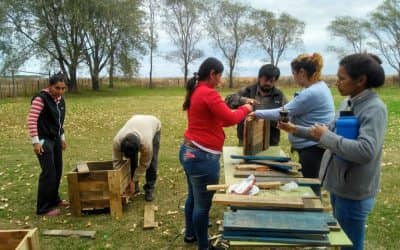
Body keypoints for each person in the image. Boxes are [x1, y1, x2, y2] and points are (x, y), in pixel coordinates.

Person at [278, 53, 387, 250]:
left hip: (354, 191)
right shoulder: (348, 102)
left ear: (361, 80)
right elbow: (327, 132)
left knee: (350, 244)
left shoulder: (374, 109)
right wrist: (296, 129)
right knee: (341, 239)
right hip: (339, 185)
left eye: (342, 78)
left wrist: (326, 136)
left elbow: (365, 151)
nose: (336, 82)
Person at [179, 57, 252, 250]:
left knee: (193, 198)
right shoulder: (209, 93)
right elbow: (230, 116)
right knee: (202, 206)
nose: (220, 80)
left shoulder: (197, 91)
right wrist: (246, 108)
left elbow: (222, 120)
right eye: (219, 76)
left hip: (189, 152)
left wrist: (237, 112)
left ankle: (190, 234)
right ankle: (204, 246)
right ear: (212, 74)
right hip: (203, 158)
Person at [250, 53, 335, 194]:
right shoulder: (319, 87)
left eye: (294, 73)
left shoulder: (312, 92)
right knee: (310, 184)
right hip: (313, 146)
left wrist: (256, 113)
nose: (294, 78)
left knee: (311, 188)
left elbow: (282, 112)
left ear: (302, 72)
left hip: (312, 149)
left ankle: (312, 213)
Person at [27, 72, 68, 216]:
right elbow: (31, 120)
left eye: (63, 88)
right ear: (49, 86)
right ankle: (43, 208)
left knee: (57, 170)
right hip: (43, 139)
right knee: (48, 172)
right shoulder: (40, 99)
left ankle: (55, 200)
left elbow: (59, 122)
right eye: (57, 88)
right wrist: (36, 142)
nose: (60, 91)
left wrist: (62, 138)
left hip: (55, 138)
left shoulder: (60, 100)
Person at [225, 64, 287, 146]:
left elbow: (287, 116)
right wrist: (244, 100)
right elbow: (227, 101)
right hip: (246, 140)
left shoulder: (279, 96)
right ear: (259, 77)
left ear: (275, 80)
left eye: (271, 81)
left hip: (270, 141)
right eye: (266, 80)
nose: (268, 83)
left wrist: (274, 119)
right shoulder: (247, 91)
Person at [112, 115, 161, 202]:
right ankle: (134, 186)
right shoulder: (117, 141)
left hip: (153, 124)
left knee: (152, 161)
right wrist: (119, 180)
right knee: (131, 161)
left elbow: (144, 164)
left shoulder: (147, 144)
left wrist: (133, 180)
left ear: (139, 147)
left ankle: (149, 188)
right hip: (136, 120)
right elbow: (117, 162)